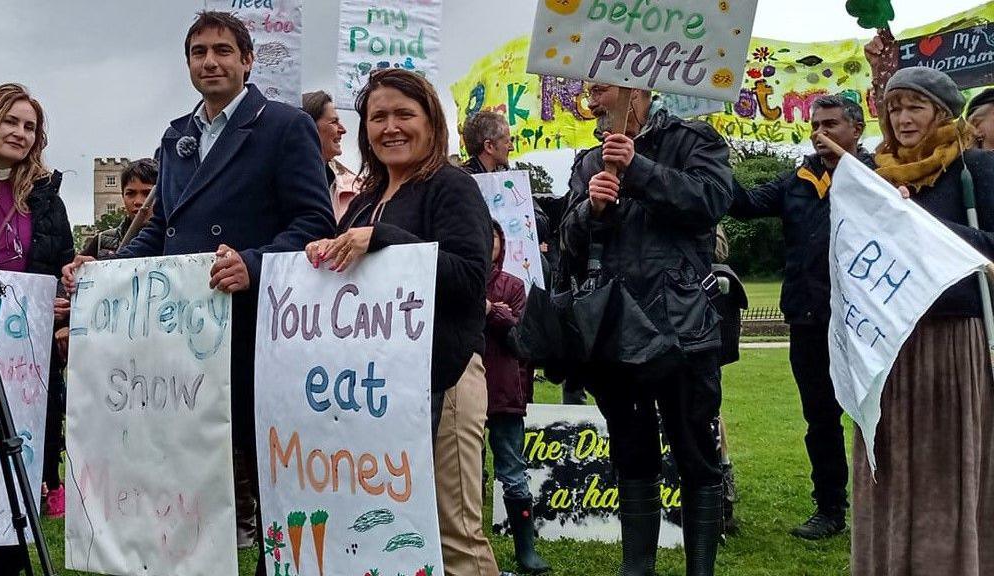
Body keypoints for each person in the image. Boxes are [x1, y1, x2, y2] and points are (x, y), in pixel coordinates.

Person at [61, 12, 335, 575]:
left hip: (254, 327)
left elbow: (313, 221)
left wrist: (253, 265)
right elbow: (162, 228)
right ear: (188, 63)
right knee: (187, 466)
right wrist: (103, 271)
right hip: (184, 336)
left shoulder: (283, 126)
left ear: (248, 59)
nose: (210, 62)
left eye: (223, 51)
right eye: (199, 53)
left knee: (265, 469)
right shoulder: (176, 136)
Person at [305, 68, 501, 576]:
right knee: (398, 525)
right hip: (385, 392)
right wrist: (321, 255)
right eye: (378, 117)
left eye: (403, 114)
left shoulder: (451, 187)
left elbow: (468, 277)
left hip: (448, 378)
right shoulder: (364, 201)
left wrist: (386, 238)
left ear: (431, 121)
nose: (390, 127)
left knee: (453, 531)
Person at [560, 83, 733, 576]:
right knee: (631, 453)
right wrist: (588, 210)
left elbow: (713, 200)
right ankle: (637, 568)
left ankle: (700, 569)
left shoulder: (694, 139)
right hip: (616, 329)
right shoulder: (589, 161)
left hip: (683, 327)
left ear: (635, 88)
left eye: (600, 90)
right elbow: (569, 245)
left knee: (694, 449)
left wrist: (638, 168)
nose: (590, 101)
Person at [849, 65, 994, 576]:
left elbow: (990, 248)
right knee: (886, 462)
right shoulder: (872, 174)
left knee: (943, 465)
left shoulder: (975, 170)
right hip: (888, 344)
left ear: (941, 111)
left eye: (915, 107)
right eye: (894, 108)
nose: (903, 119)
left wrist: (919, 223)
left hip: (951, 338)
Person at [729, 95, 872, 539]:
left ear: (857, 129)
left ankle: (887, 507)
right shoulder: (797, 179)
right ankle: (830, 509)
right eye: (815, 125)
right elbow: (745, 204)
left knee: (880, 417)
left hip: (867, 322)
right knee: (821, 419)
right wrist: (716, 161)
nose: (820, 134)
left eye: (830, 124)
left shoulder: (879, 176)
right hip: (810, 319)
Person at [0, 83, 74, 575]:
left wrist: (65, 295)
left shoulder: (47, 199)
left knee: (10, 472)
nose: (20, 133)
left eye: (30, 126)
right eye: (11, 121)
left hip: (23, 361)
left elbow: (60, 267)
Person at [479, 219, 550, 574]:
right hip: (466, 386)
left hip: (505, 387)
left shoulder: (514, 284)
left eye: (491, 236)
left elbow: (518, 332)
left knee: (512, 467)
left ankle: (526, 548)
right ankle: (470, 544)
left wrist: (491, 311)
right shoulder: (460, 280)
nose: (486, 242)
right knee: (468, 472)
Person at [80, 158, 157, 258]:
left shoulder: (173, 242)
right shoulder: (102, 242)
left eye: (147, 194)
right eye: (130, 193)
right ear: (122, 195)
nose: (138, 201)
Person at [301, 90, 359, 220]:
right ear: (308, 127)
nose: (343, 130)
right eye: (334, 122)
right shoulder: (273, 185)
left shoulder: (357, 189)